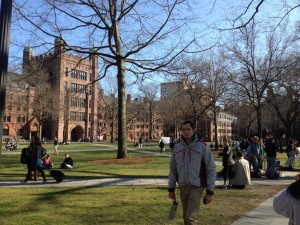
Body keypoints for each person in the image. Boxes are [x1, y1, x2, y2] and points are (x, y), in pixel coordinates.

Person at [168, 120, 216, 225]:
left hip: (196, 187)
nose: (185, 132)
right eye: (183, 129)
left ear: (193, 130)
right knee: (186, 218)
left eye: (188, 129)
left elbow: (211, 169)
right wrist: (171, 188)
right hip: (183, 186)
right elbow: (173, 169)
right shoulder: (177, 147)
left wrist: (209, 192)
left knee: (191, 218)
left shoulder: (203, 147)